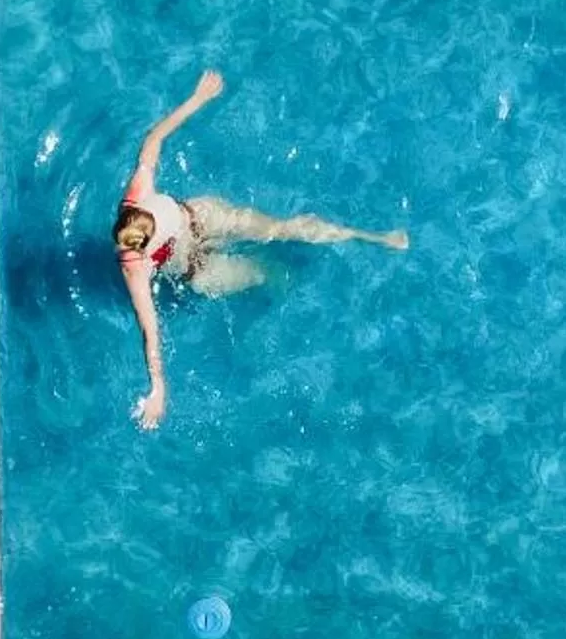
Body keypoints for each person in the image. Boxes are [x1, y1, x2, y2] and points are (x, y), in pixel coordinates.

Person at [113, 69, 408, 430]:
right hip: (197, 269)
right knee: (263, 272)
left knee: (280, 229)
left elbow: (153, 139)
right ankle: (291, 284)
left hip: (202, 218)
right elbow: (149, 329)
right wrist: (158, 387)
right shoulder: (134, 268)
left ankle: (371, 237)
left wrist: (197, 99)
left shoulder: (138, 191)